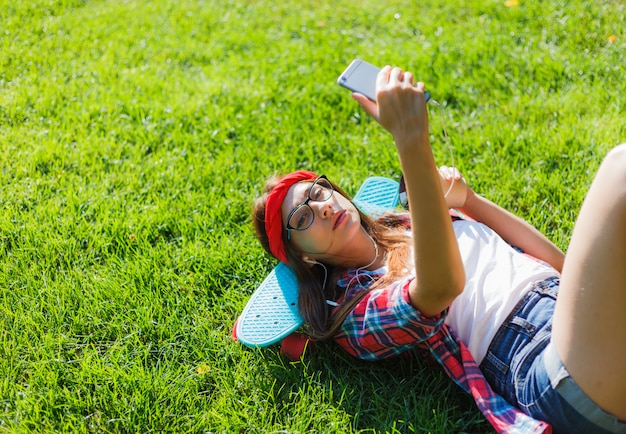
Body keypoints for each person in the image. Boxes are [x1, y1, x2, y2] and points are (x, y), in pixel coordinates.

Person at [251, 66, 626, 433]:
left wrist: (472, 202)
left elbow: (560, 266)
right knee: (619, 171)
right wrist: (410, 139)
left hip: (569, 306)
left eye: (318, 192)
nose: (321, 207)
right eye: (302, 218)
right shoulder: (356, 312)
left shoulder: (414, 223)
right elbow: (440, 288)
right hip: (541, 358)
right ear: (304, 256)